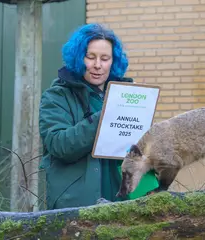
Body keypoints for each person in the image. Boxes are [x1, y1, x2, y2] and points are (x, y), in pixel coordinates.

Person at [38, 23, 159, 210]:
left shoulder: (126, 95)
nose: (97, 65)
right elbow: (59, 145)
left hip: (125, 200)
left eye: (105, 58)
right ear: (79, 58)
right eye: (90, 57)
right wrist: (104, 116)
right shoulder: (57, 96)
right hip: (77, 203)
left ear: (113, 61)